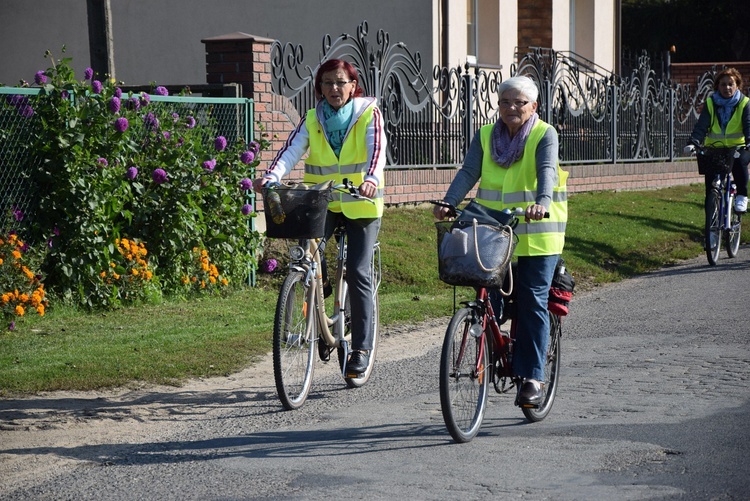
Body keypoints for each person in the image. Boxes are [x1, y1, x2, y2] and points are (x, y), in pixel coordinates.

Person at [433, 75, 568, 406]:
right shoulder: (485, 135)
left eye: (519, 102)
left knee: (532, 299)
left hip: (538, 231)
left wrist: (543, 202)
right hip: (493, 229)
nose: (511, 107)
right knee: (485, 293)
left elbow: (547, 170)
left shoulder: (543, 134)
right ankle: (490, 341)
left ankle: (533, 377)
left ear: (533, 106)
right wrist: (449, 202)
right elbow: (468, 172)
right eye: (505, 101)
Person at [253, 58, 386, 375]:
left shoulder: (369, 113)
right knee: (308, 258)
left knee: (357, 271)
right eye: (327, 83)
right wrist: (272, 176)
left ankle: (361, 349)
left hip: (360, 203)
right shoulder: (312, 118)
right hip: (321, 201)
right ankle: (321, 309)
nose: (334, 88)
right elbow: (291, 150)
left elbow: (376, 151)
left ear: (353, 85)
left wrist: (370, 180)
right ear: (319, 88)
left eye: (341, 82)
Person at [685, 67, 750, 213]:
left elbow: (748, 125)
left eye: (730, 84)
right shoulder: (711, 103)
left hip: (738, 147)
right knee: (711, 185)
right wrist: (693, 141)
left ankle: (741, 196)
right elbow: (702, 126)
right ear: (717, 86)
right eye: (723, 84)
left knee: (740, 163)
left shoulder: (745, 103)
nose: (726, 87)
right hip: (715, 148)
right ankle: (711, 216)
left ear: (737, 85)